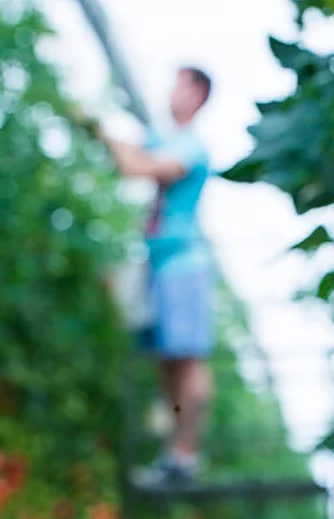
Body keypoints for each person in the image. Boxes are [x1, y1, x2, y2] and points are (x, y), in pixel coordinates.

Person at [96, 67, 215, 487]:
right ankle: (175, 453)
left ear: (198, 94)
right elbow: (132, 153)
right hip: (160, 261)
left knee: (187, 357)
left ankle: (187, 453)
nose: (171, 92)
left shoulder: (191, 148)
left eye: (180, 84)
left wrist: (107, 135)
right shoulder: (164, 140)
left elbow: (134, 166)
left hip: (184, 261)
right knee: (169, 359)